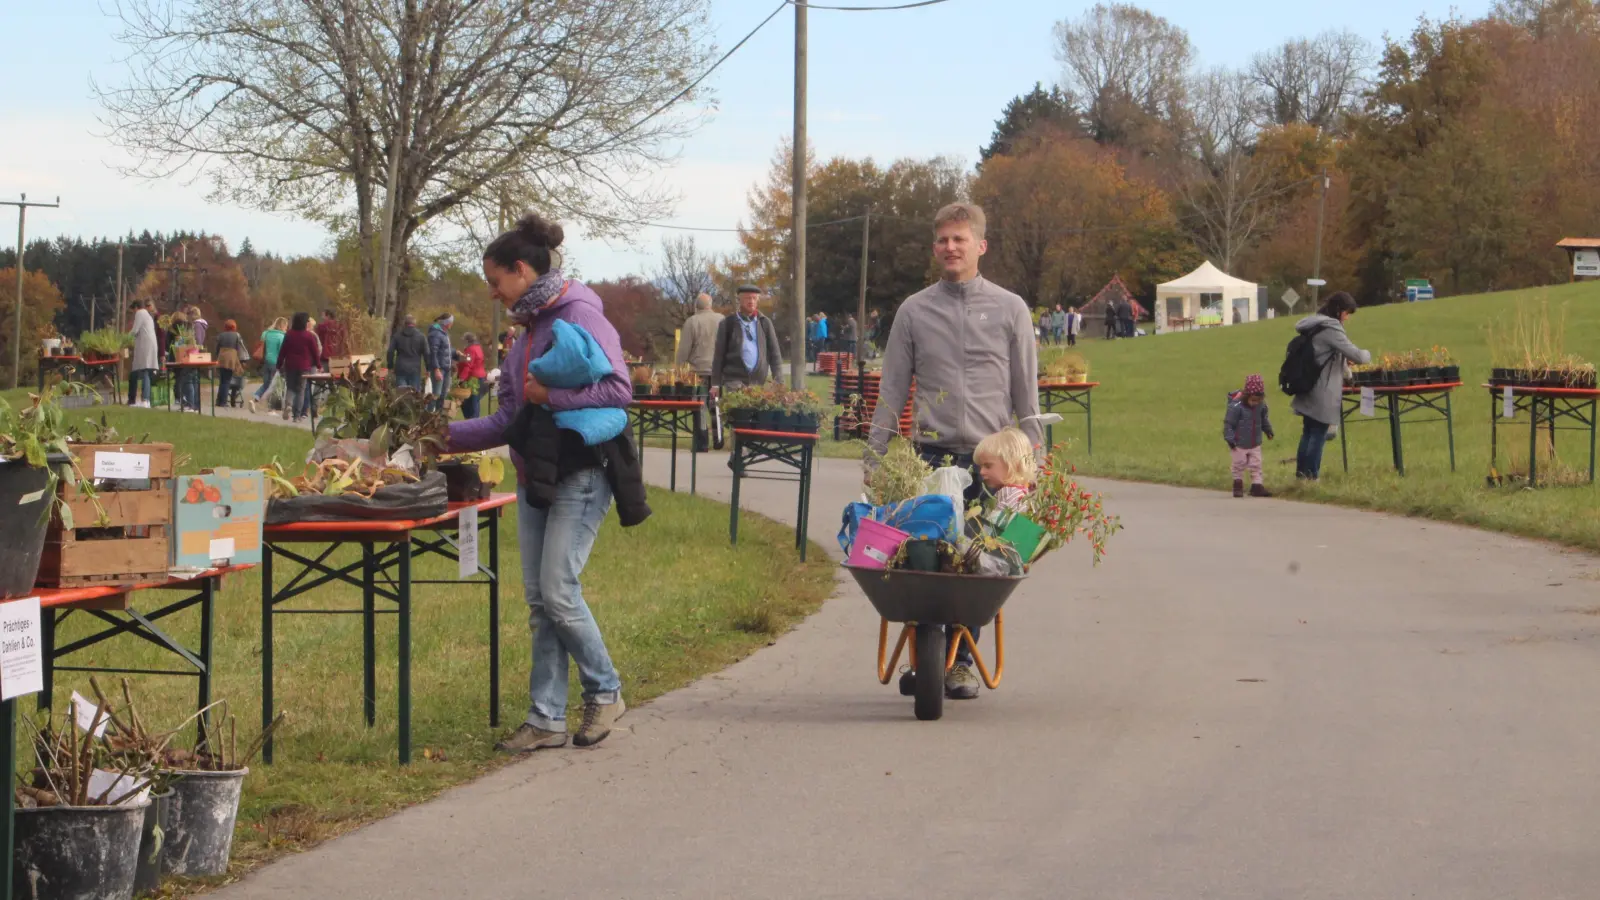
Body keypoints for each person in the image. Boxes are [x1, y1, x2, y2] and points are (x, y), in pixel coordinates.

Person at [449, 212, 640, 752]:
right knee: (540, 601)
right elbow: (507, 418)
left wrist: (551, 398)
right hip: (537, 474)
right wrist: (437, 435)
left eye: (495, 281)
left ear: (522, 270)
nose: (492, 294)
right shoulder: (528, 329)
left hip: (582, 473)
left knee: (558, 590)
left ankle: (606, 691)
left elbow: (619, 390)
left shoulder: (578, 313)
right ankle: (545, 719)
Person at [867, 201, 1040, 702]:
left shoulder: (1010, 309)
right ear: (934, 246)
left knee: (980, 567)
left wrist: (1035, 461)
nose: (950, 247)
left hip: (993, 463)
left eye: (960, 239)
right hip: (931, 456)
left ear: (980, 245)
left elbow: (1026, 394)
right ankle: (926, 652)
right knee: (926, 560)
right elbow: (893, 391)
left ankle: (961, 663)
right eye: (943, 239)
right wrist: (877, 457)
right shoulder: (914, 311)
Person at [1291, 292, 1369, 480]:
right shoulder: (1331, 328)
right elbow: (1358, 356)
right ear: (1338, 310)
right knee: (1318, 434)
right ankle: (1311, 477)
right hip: (1322, 389)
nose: (1347, 318)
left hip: (1308, 385)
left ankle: (1301, 477)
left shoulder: (1314, 324)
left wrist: (1346, 371)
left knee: (1308, 432)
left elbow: (1332, 355)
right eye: (1347, 313)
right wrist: (1367, 354)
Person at [710, 285, 783, 394]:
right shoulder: (728, 324)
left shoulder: (764, 323)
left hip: (758, 382)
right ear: (740, 300)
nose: (751, 301)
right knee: (737, 409)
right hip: (734, 381)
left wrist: (779, 382)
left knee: (756, 410)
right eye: (747, 298)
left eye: (754, 298)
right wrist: (715, 384)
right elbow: (719, 355)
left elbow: (775, 354)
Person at [676, 293, 723, 451]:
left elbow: (684, 350)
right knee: (716, 406)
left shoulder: (692, 322)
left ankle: (702, 443)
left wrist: (679, 368)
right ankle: (719, 439)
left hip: (698, 372)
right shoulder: (722, 319)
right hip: (719, 371)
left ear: (697, 306)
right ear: (711, 305)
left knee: (700, 407)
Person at [1224, 374, 1275, 498]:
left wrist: (1268, 430)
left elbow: (1264, 420)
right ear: (1246, 396)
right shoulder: (1236, 407)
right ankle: (1238, 485)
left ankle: (1257, 486)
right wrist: (1230, 439)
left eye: (1257, 401)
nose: (1254, 403)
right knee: (1238, 464)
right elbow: (1229, 424)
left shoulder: (1261, 406)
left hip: (1255, 442)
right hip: (1238, 443)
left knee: (1256, 464)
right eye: (1252, 400)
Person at [975, 427, 1036, 512]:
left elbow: (996, 524)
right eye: (980, 466)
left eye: (988, 466)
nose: (981, 472)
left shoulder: (1013, 496)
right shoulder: (1010, 492)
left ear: (1012, 464)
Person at [277, 311, 321, 423]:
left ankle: (288, 405)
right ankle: (296, 416)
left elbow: (283, 351)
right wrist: (319, 365)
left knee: (290, 387)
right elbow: (315, 352)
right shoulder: (309, 336)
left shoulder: (289, 334)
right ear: (304, 323)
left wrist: (279, 364)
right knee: (301, 390)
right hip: (304, 366)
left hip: (290, 365)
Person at [250, 317, 288, 413]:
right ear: (283, 326)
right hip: (276, 364)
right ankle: (271, 409)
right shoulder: (282, 337)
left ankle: (255, 399)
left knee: (266, 384)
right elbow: (282, 352)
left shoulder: (266, 334)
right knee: (274, 386)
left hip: (266, 362)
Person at [127, 300, 158, 408]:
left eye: (133, 309)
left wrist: (124, 339)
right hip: (150, 344)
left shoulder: (140, 313)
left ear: (136, 307)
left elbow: (134, 330)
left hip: (146, 345)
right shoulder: (148, 315)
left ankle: (144, 400)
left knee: (145, 370)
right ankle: (146, 400)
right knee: (147, 371)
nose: (133, 312)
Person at [387, 314, 428, 391]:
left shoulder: (397, 336)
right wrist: (428, 368)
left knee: (401, 394)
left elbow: (390, 351)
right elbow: (427, 353)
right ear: (414, 324)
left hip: (400, 368)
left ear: (404, 324)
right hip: (415, 369)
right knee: (415, 394)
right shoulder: (421, 336)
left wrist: (390, 366)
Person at [214, 320, 250, 408]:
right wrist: (243, 361)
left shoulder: (221, 335)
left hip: (221, 358)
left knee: (222, 380)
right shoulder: (236, 335)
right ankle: (223, 402)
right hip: (230, 359)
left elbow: (217, 348)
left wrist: (217, 357)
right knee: (226, 381)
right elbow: (240, 348)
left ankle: (218, 401)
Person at [456, 333, 487, 419]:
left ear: (467, 341)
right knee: (475, 401)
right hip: (480, 376)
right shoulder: (478, 348)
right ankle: (474, 420)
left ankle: (473, 420)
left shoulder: (470, 350)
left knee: (471, 401)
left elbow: (468, 365)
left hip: (473, 378)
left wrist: (461, 378)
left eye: (464, 340)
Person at [428, 313, 456, 409]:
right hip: (439, 369)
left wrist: (456, 352)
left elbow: (445, 349)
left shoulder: (445, 333)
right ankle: (429, 414)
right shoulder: (435, 334)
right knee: (436, 394)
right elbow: (433, 353)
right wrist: (436, 369)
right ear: (447, 323)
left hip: (446, 368)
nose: (452, 324)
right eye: (451, 322)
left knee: (443, 394)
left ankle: (438, 417)